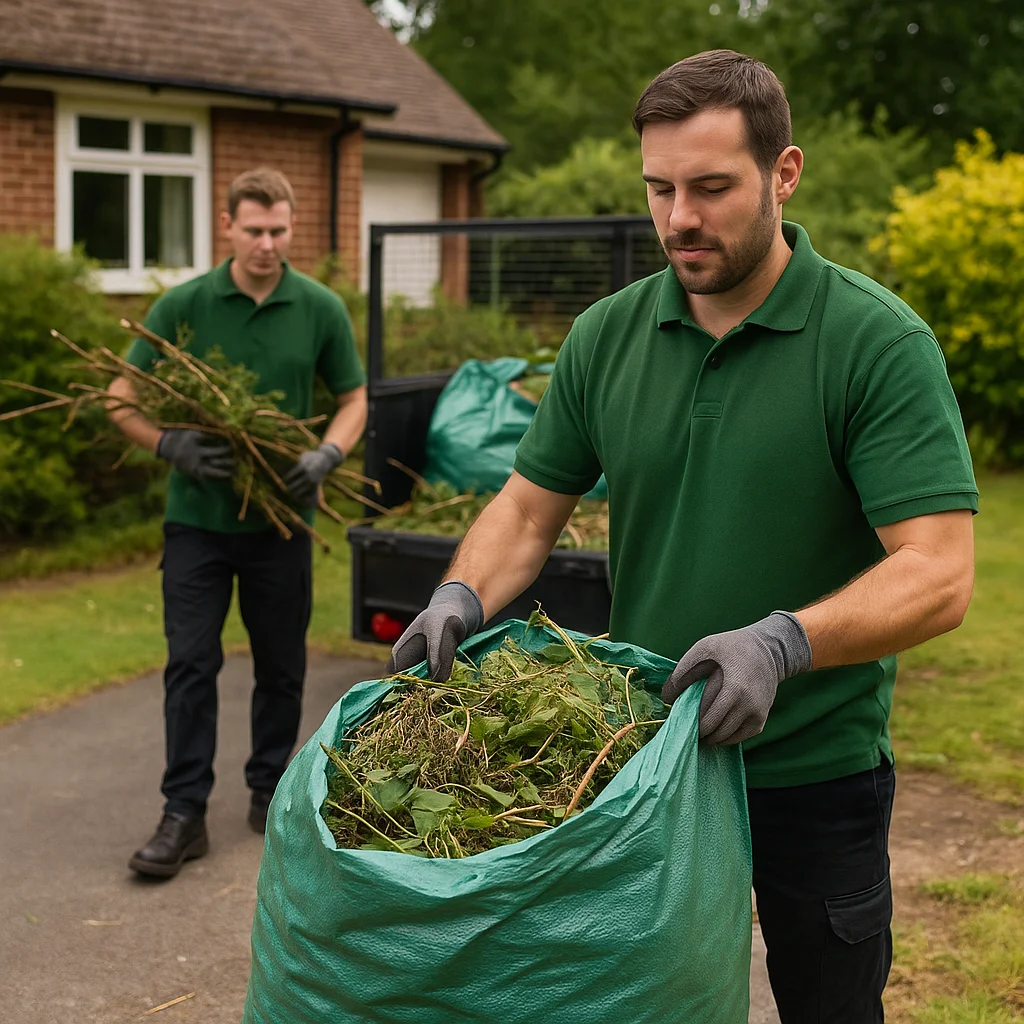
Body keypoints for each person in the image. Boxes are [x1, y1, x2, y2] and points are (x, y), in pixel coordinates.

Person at [386, 50, 977, 1022]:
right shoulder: (606, 337)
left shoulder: (873, 343)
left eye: (710, 187)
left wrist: (782, 643)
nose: (678, 219)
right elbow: (529, 509)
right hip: (641, 765)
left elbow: (939, 571)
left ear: (783, 174)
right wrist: (460, 592)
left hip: (814, 774)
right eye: (658, 188)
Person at [108, 167, 367, 878]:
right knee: (191, 662)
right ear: (227, 226)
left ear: (291, 226)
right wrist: (169, 444)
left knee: (282, 666)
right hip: (196, 523)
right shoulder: (184, 306)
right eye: (253, 230)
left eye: (279, 230)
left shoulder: (318, 307)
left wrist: (327, 454)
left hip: (282, 520)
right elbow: (119, 397)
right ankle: (183, 812)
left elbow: (353, 396)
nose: (266, 243)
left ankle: (270, 791)